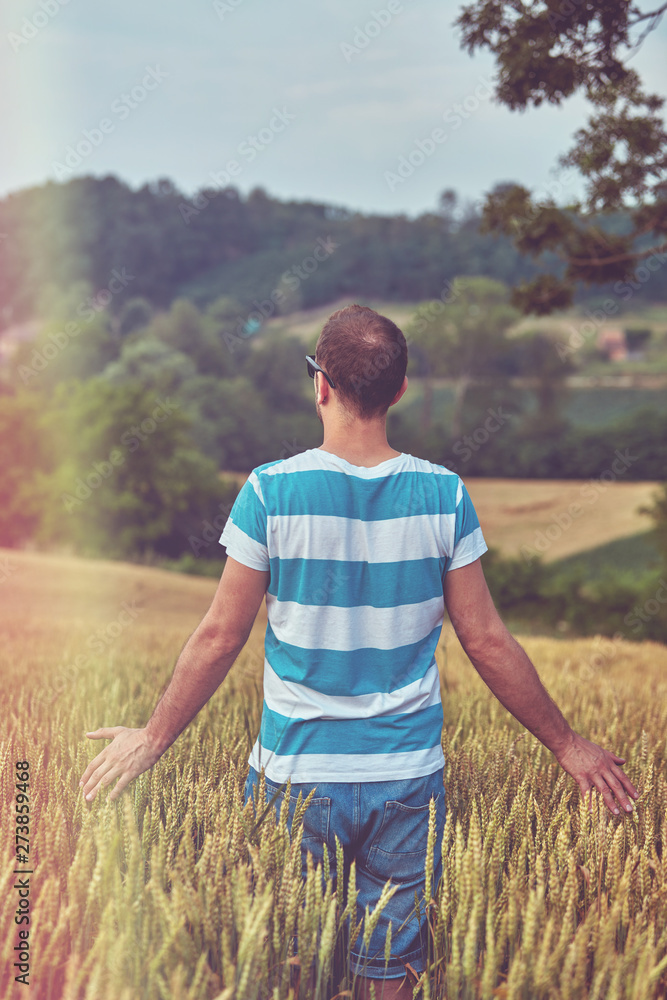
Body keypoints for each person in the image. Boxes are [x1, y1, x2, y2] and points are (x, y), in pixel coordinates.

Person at [79, 304, 639, 1000]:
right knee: (390, 969)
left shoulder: (268, 492)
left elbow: (221, 634)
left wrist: (153, 736)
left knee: (293, 966)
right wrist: (566, 745)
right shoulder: (444, 495)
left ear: (319, 384)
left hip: (295, 775)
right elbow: (486, 639)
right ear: (399, 391)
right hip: (405, 779)